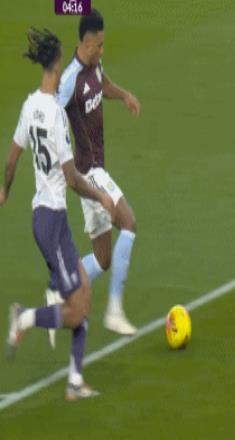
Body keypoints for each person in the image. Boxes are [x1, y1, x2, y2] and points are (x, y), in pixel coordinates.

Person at [1, 28, 114, 400]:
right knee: (76, 311)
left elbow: (12, 159)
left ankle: (74, 382)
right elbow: (71, 178)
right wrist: (100, 195)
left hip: (48, 219)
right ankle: (25, 317)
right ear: (57, 64)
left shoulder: (29, 105)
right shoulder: (54, 116)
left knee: (84, 295)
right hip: (51, 221)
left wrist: (4, 191)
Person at [56, 8, 141, 336]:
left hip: (94, 170)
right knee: (129, 223)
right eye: (99, 45)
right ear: (86, 43)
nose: (103, 50)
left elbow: (103, 84)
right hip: (88, 172)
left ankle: (61, 291)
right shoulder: (69, 80)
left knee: (103, 259)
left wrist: (124, 95)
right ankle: (114, 311)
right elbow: (52, 116)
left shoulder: (94, 66)